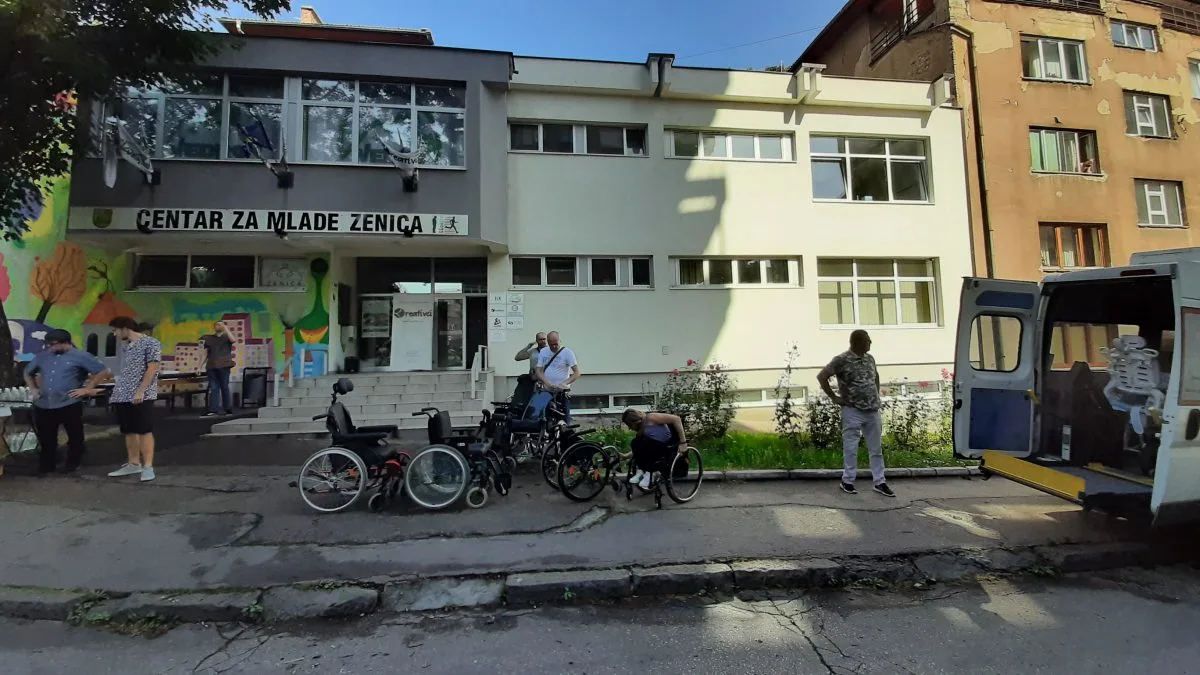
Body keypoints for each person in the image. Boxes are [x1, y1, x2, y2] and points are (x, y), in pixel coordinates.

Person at [817, 329, 895, 498]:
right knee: (851, 447)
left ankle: (880, 482)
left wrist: (875, 393)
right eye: (867, 340)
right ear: (857, 342)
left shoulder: (870, 358)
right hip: (853, 410)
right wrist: (834, 397)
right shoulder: (841, 360)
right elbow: (822, 376)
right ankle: (848, 481)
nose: (870, 343)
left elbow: (876, 376)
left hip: (872, 410)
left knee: (876, 448)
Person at [23, 329, 111, 475]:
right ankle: (47, 465)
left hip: (69, 402)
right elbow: (27, 372)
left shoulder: (81, 356)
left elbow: (101, 371)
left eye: (53, 344)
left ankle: (73, 463)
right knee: (46, 436)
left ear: (65, 343)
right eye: (48, 345)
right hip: (44, 403)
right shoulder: (43, 357)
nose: (50, 347)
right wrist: (33, 388)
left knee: (74, 435)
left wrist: (88, 388)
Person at [105, 316, 163, 482]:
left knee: (144, 429)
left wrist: (141, 391)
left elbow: (152, 368)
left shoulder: (150, 343)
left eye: (115, 330)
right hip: (123, 393)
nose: (114, 334)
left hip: (141, 394)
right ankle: (133, 463)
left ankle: (148, 466)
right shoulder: (125, 346)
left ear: (125, 328)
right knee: (128, 430)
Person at [621, 408, 687, 490]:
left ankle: (653, 473)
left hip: (667, 445)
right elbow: (638, 449)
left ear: (635, 421)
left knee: (647, 443)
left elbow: (676, 419)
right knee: (635, 442)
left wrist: (683, 442)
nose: (630, 428)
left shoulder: (651, 417)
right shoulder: (641, 430)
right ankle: (641, 471)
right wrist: (626, 456)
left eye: (630, 425)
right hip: (653, 446)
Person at [534, 331, 580, 423]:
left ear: (560, 341)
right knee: (543, 418)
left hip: (562, 392)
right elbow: (538, 371)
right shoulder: (543, 352)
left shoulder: (567, 352)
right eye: (551, 345)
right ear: (548, 342)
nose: (554, 347)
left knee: (564, 419)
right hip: (546, 391)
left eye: (556, 344)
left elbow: (577, 373)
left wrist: (564, 383)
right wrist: (547, 383)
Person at [200, 321, 236, 417]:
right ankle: (213, 410)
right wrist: (199, 366)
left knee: (224, 387)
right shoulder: (208, 338)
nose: (218, 326)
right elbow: (204, 354)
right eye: (217, 324)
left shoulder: (227, 337)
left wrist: (225, 328)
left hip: (224, 366)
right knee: (214, 388)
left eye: (220, 324)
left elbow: (233, 340)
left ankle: (228, 409)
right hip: (211, 366)